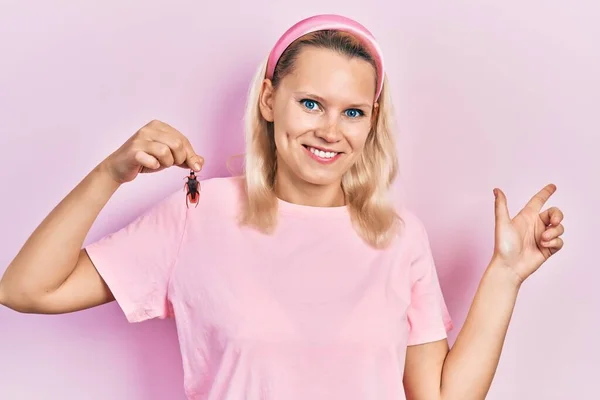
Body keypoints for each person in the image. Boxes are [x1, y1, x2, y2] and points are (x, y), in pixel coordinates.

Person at [0, 13, 565, 400]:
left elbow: (439, 395)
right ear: (270, 100)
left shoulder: (398, 238)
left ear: (373, 119)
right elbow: (26, 289)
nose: (330, 130)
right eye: (312, 103)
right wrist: (110, 174)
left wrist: (505, 276)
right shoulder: (199, 214)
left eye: (353, 112)